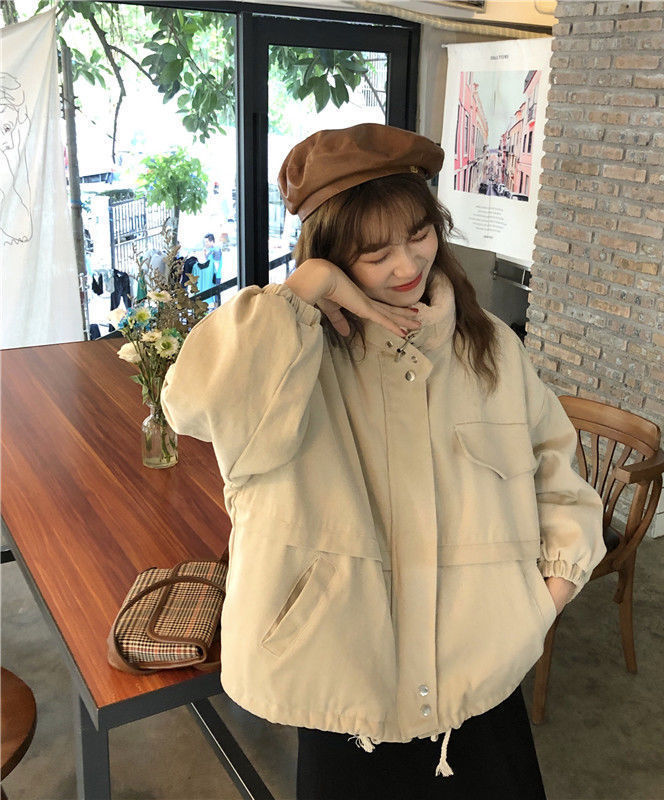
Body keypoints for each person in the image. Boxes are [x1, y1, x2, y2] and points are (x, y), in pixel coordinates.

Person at [161, 123, 605, 800]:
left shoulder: (489, 348)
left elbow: (559, 478)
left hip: (480, 680)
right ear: (331, 254)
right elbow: (191, 405)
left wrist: (541, 603)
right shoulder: (293, 355)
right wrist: (301, 290)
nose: (406, 266)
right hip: (345, 687)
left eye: (419, 234)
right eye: (374, 253)